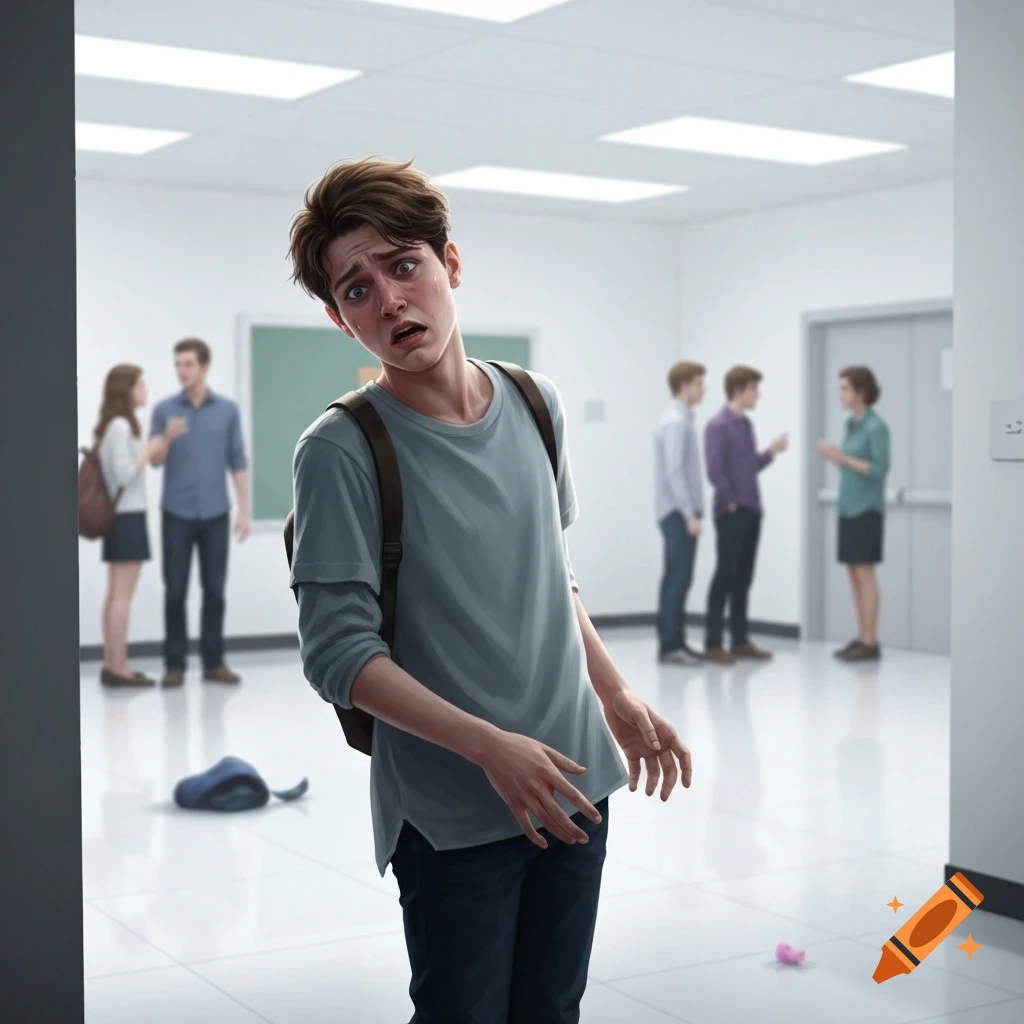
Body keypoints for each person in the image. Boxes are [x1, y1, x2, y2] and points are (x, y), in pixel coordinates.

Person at [287, 156, 693, 1024]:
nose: (390, 299)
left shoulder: (534, 402)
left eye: (404, 265)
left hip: (576, 778)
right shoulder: (341, 450)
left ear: (450, 265)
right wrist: (488, 747)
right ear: (338, 319)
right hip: (452, 813)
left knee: (551, 1009)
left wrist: (615, 696)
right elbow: (340, 657)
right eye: (357, 289)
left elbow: (553, 574)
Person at [149, 339, 250, 689]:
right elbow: (154, 460)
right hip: (176, 514)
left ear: (204, 367)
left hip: (216, 514)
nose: (182, 371)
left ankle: (213, 663)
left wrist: (245, 511)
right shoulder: (164, 412)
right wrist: (166, 437)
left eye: (188, 364)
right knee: (175, 591)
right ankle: (174, 665)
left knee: (215, 592)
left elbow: (237, 461)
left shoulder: (227, 411)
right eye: (178, 364)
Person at [95, 364, 186, 687]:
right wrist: (149, 448)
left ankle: (114, 664)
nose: (145, 391)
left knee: (116, 594)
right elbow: (125, 474)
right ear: (125, 390)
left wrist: (165, 439)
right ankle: (117, 668)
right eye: (140, 386)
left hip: (124, 517)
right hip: (127, 517)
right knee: (121, 596)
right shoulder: (120, 426)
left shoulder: (116, 425)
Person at [703, 365, 788, 665]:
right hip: (731, 512)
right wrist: (731, 502)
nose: (758, 395)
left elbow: (748, 466)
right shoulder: (718, 425)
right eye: (755, 389)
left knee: (743, 577)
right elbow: (714, 470)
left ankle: (739, 640)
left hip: (752, 510)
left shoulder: (745, 425)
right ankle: (713, 642)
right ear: (740, 390)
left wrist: (771, 452)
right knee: (725, 575)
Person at [817, 365, 891, 662]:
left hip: (867, 509)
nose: (840, 394)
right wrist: (837, 459)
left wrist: (842, 457)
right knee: (852, 573)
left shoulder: (876, 427)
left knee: (865, 573)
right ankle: (861, 637)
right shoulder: (852, 425)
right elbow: (851, 467)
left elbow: (879, 469)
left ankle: (871, 641)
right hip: (848, 506)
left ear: (860, 392)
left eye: (845, 388)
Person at [654, 360, 707, 665]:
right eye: (699, 384)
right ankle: (671, 645)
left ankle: (676, 642)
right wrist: (689, 513)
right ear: (685, 385)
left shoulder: (680, 420)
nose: (703, 390)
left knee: (679, 578)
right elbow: (675, 473)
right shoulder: (675, 422)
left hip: (677, 512)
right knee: (677, 579)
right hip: (677, 513)